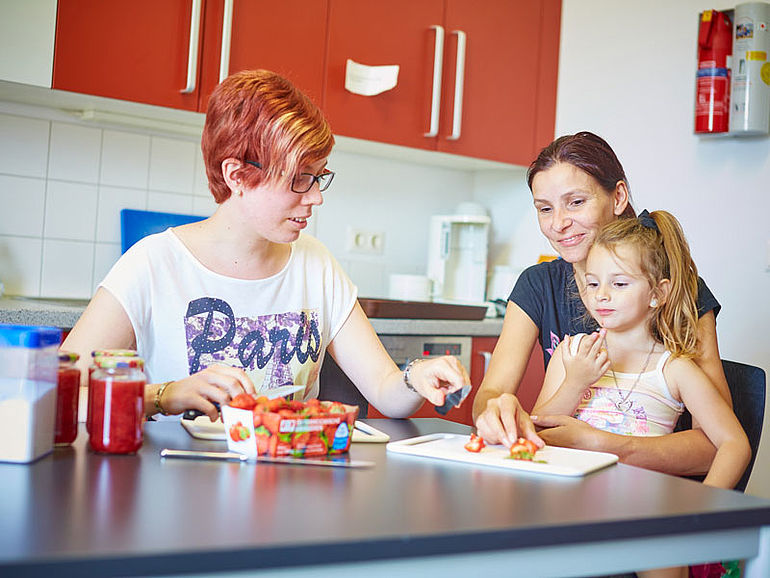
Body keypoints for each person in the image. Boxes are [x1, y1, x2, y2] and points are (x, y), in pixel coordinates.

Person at [62, 69, 486, 422]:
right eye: (299, 178)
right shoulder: (152, 264)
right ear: (237, 175)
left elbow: (387, 392)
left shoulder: (315, 265)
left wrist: (416, 376)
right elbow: (62, 393)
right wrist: (164, 395)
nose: (316, 196)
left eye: (318, 177)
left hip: (293, 489)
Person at [473, 132, 731, 477]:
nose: (559, 223)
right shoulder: (538, 284)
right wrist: (495, 414)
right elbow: (492, 392)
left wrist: (604, 445)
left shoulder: (681, 290)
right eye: (545, 209)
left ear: (618, 196)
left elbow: (714, 447)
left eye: (576, 202)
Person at [533, 210, 750, 578]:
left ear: (657, 293)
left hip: (643, 505)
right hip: (567, 499)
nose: (601, 295)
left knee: (663, 552)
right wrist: (574, 382)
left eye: (619, 284)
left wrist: (699, 509)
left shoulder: (674, 368)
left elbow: (734, 444)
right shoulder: (572, 354)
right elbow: (536, 435)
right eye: (592, 283)